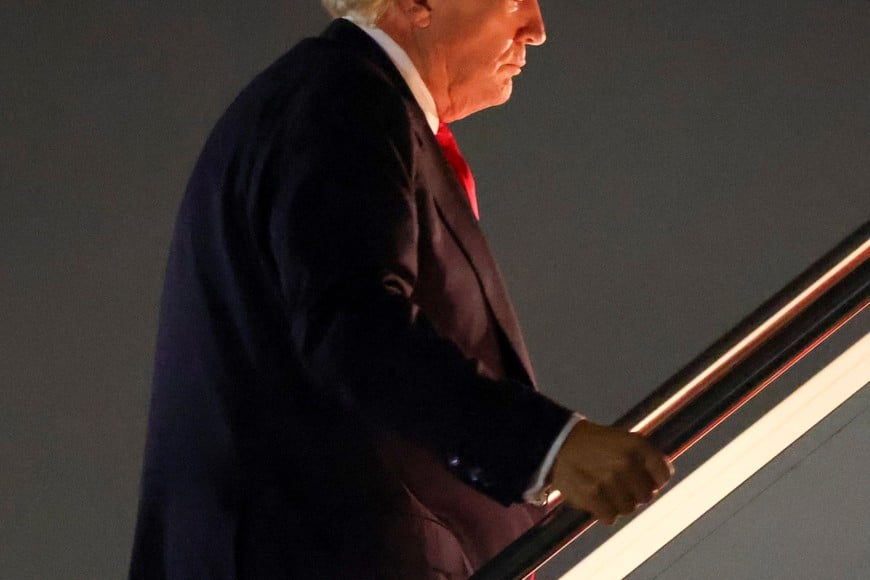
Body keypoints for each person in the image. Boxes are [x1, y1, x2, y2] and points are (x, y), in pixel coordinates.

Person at [130, 0, 673, 578]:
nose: (535, 30)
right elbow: (356, 331)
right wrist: (551, 448)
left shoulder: (332, 96)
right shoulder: (344, 100)